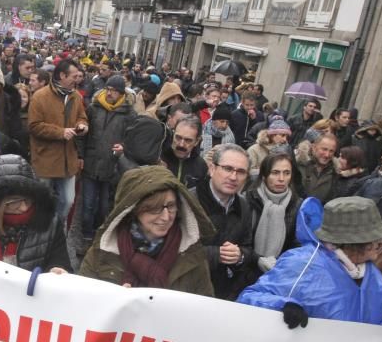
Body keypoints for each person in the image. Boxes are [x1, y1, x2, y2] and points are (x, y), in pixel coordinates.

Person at [239, 196, 382, 342]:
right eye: (374, 238)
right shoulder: (303, 262)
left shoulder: (373, 275)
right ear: (351, 241)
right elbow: (248, 298)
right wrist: (283, 306)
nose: (381, 242)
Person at [80, 165, 214, 296]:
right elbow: (84, 306)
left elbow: (205, 312)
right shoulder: (101, 253)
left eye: (171, 206)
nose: (166, 217)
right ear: (133, 210)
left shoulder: (192, 255)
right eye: (155, 208)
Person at [28, 58, 87, 223]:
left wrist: (82, 125)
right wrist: (59, 132)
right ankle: (40, 227)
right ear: (62, 75)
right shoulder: (40, 96)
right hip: (45, 158)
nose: (77, 80)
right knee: (41, 200)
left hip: (68, 160)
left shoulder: (75, 96)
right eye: (74, 76)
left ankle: (56, 226)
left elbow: (82, 117)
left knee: (68, 200)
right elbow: (34, 126)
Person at [80, 74, 135, 249]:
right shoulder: (94, 108)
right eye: (108, 89)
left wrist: (124, 148)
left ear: (121, 93)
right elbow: (83, 136)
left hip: (112, 167)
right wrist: (81, 156)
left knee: (104, 206)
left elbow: (132, 138)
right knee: (88, 204)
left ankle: (99, 235)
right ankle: (85, 236)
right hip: (91, 162)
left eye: (114, 90)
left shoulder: (130, 114)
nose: (110, 93)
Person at [197, 144, 254, 300]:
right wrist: (216, 254)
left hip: (226, 295)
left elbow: (247, 246)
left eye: (241, 172)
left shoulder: (243, 206)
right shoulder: (190, 201)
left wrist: (240, 256)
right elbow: (175, 250)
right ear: (212, 169)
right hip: (191, 291)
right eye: (228, 168)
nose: (234, 177)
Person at [246, 152, 301, 277]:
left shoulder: (298, 205)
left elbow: (298, 244)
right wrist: (257, 259)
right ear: (264, 175)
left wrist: (282, 264)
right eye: (275, 173)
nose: (281, 178)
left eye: (287, 173)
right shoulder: (248, 200)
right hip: (247, 270)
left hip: (282, 272)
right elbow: (241, 240)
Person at [162, 115, 208, 192]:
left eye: (188, 140)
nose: (181, 144)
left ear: (197, 141)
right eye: (178, 137)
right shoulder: (159, 158)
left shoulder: (201, 166)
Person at [297, 133, 339, 204]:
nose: (327, 155)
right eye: (324, 149)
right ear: (314, 147)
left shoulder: (336, 173)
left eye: (331, 151)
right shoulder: (298, 167)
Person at [247, 117, 291, 182]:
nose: (285, 139)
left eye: (287, 136)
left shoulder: (285, 150)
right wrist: (269, 171)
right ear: (273, 135)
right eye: (283, 135)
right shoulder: (253, 150)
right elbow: (248, 172)